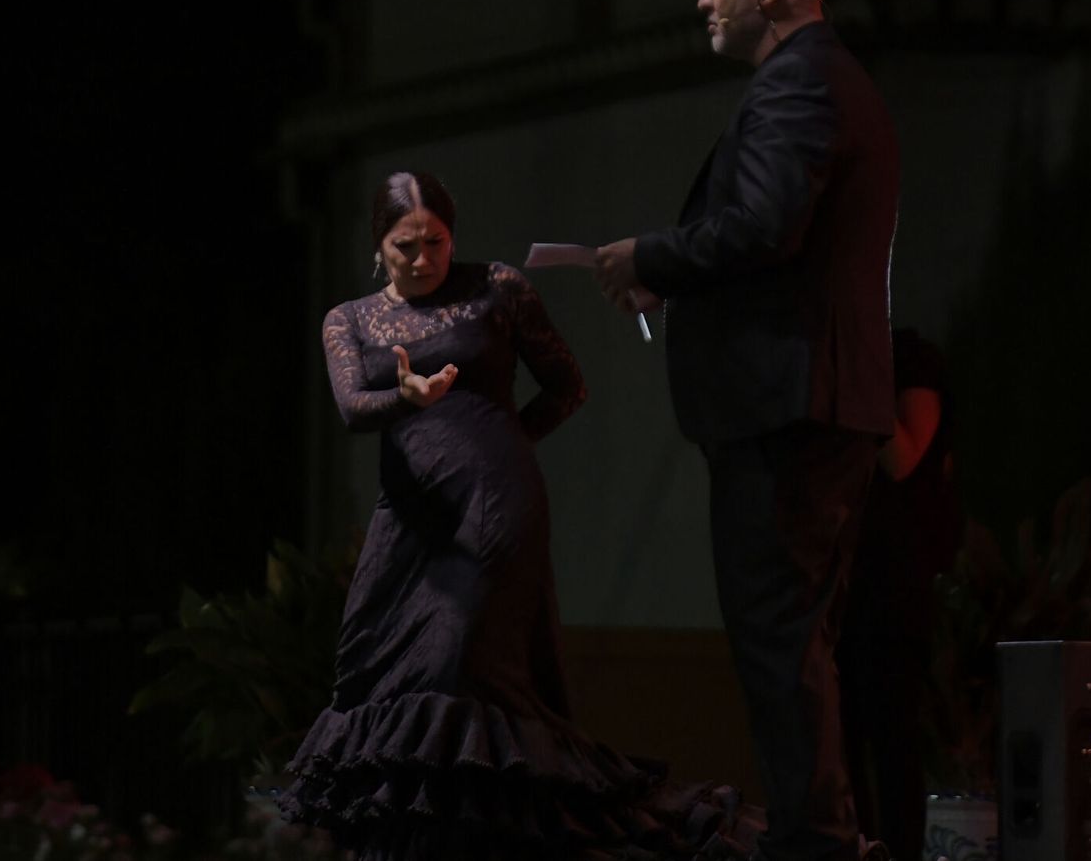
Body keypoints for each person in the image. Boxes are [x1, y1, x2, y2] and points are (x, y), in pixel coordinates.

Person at [282, 171, 762, 861]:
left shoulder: (497, 288)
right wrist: (409, 400)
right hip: (410, 517)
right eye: (404, 246)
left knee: (454, 664)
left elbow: (569, 385)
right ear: (378, 245)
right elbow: (353, 406)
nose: (422, 260)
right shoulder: (351, 318)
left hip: (493, 506)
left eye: (436, 242)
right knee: (375, 674)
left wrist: (499, 446)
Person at [593, 0, 900, 861]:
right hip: (822, 406)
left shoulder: (797, 85)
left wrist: (652, 254)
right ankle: (832, 835)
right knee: (804, 646)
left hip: (785, 412)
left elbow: (767, 224)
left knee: (779, 647)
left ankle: (814, 844)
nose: (702, 1)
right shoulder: (837, 83)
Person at [838, 328, 960, 861]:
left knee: (892, 738)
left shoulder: (906, 358)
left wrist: (856, 376)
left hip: (892, 583)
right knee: (840, 739)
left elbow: (904, 457)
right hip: (842, 579)